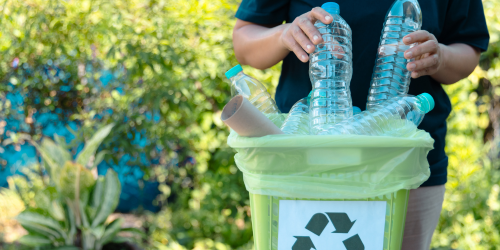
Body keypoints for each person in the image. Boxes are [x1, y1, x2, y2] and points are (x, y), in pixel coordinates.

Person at [231, 0, 489, 249]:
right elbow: (244, 39)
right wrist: (284, 34)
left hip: (405, 163)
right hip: (303, 159)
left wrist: (440, 56)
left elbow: (468, 49)